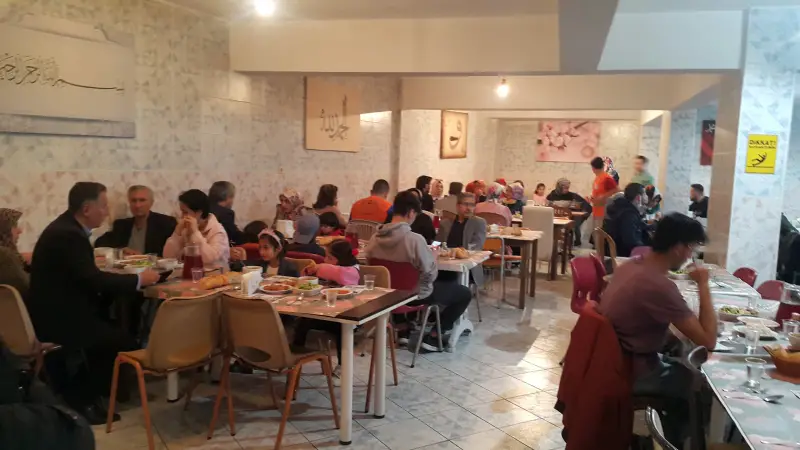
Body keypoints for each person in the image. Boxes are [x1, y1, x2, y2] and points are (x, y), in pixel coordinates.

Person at [26, 182, 161, 424]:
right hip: (60, 319)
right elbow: (93, 280)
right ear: (87, 209)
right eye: (104, 206)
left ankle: (101, 393)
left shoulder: (65, 228)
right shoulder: (68, 235)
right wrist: (139, 279)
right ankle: (86, 400)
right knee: (122, 340)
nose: (106, 212)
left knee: (113, 326)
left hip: (57, 310)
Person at [599, 213, 712, 444]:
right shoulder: (658, 285)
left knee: (681, 358)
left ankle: (668, 434)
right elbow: (708, 341)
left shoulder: (631, 266)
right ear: (678, 248)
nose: (690, 255)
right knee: (703, 387)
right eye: (691, 248)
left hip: (612, 361)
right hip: (633, 370)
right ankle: (676, 442)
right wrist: (703, 284)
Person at [366, 192, 472, 351]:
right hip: (413, 296)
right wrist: (433, 259)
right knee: (464, 293)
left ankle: (402, 328)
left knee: (397, 283)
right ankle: (435, 335)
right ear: (411, 213)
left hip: (385, 295)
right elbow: (430, 274)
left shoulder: (374, 238)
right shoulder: (414, 240)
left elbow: (372, 267)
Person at [294, 240, 361, 375]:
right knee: (303, 321)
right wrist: (308, 272)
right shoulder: (328, 268)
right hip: (325, 312)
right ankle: (295, 358)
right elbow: (307, 280)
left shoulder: (352, 270)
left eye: (330, 258)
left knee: (342, 328)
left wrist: (319, 267)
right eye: (326, 257)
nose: (325, 260)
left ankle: (343, 364)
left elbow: (340, 274)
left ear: (341, 258)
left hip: (347, 315)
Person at [95, 185, 177, 256]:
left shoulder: (166, 223)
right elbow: (99, 243)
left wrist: (143, 258)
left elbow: (173, 254)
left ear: (151, 202)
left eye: (142, 200)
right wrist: (120, 250)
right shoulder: (121, 225)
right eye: (134, 201)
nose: (137, 205)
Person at [163, 189, 230, 270]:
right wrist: (176, 233)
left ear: (199, 213)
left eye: (185, 212)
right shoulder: (187, 228)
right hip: (189, 273)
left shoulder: (218, 231)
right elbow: (168, 257)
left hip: (216, 274)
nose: (182, 216)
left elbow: (208, 259)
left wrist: (195, 233)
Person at [436, 192, 487, 286]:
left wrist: (458, 253)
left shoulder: (479, 223)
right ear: (458, 206)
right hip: (445, 263)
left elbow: (476, 247)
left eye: (472, 205)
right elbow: (437, 244)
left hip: (468, 265)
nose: (469, 208)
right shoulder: (445, 223)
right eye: (466, 204)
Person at [602, 183, 649, 257]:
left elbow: (636, 225)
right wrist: (647, 249)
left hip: (613, 250)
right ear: (638, 198)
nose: (647, 196)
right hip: (623, 254)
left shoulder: (621, 208)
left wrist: (652, 226)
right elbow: (630, 241)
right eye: (645, 194)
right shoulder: (629, 215)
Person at [546, 178, 591, 246]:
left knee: (576, 222)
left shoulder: (571, 195)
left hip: (565, 218)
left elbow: (585, 204)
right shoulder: (551, 195)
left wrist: (582, 208)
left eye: (568, 188)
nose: (567, 190)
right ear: (559, 187)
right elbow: (548, 206)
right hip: (556, 218)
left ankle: (577, 241)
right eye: (565, 188)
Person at [0, 209, 29, 297]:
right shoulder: (5, 256)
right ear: (5, 229)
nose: (20, 231)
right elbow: (26, 287)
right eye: (15, 226)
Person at [588, 156, 619, 232]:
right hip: (596, 209)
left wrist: (603, 197)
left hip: (603, 210)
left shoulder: (607, 178)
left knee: (600, 233)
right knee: (595, 232)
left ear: (594, 168)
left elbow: (617, 190)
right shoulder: (597, 178)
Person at [209, 181, 243, 246]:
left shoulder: (202, 209)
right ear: (228, 197)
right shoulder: (227, 213)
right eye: (232, 197)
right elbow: (230, 238)